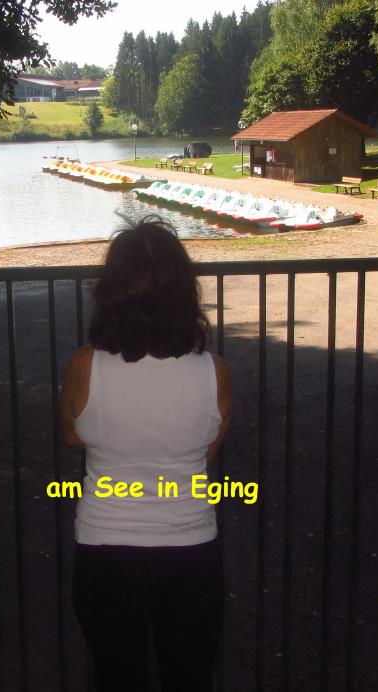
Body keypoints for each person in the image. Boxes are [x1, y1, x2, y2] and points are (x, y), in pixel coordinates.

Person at [59, 218, 233, 692]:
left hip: (105, 550)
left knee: (117, 677)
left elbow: (72, 434)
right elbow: (208, 450)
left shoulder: (84, 365)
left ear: (110, 290)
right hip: (191, 549)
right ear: (185, 291)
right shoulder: (214, 373)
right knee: (189, 678)